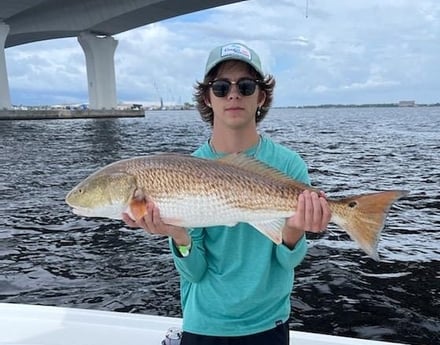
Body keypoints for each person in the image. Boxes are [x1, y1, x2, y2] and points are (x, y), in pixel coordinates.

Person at [123, 42, 331, 345]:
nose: (233, 94)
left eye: (246, 86)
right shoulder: (185, 169)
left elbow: (287, 262)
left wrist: (296, 229)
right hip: (205, 323)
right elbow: (195, 273)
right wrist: (178, 235)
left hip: (269, 322)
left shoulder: (289, 165)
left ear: (261, 96)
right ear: (208, 98)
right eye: (221, 87)